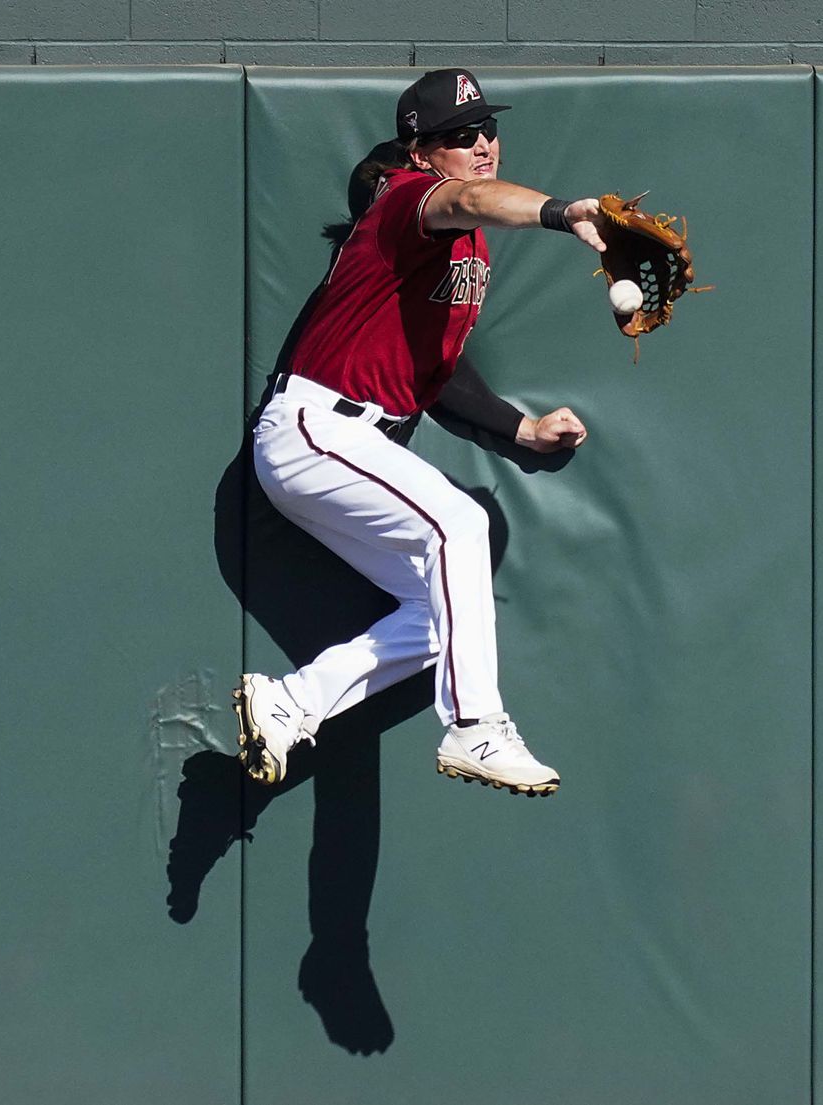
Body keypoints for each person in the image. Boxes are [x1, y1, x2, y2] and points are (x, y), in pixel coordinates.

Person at [234, 68, 606, 797]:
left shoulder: (468, 252)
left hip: (353, 444)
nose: (482, 145)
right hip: (317, 427)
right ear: (421, 152)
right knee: (460, 525)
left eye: (487, 129)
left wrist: (520, 428)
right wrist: (564, 214)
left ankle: (292, 703)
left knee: (442, 618)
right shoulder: (409, 200)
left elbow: (437, 370)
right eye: (459, 137)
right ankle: (476, 725)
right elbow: (468, 198)